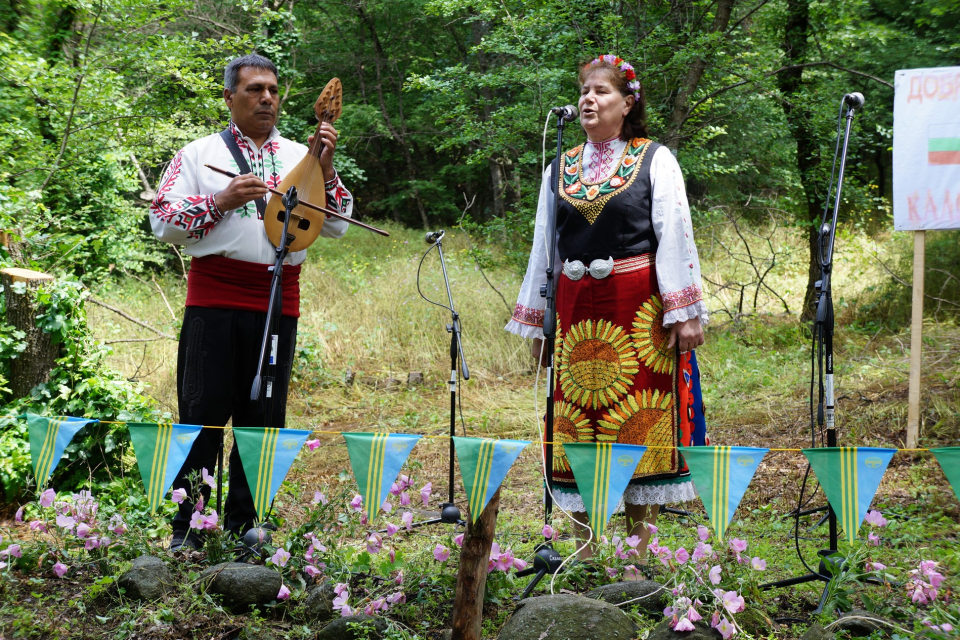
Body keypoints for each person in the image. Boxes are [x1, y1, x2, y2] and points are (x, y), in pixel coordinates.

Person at [505, 54, 708, 561]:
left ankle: (636, 556)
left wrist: (682, 312)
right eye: (584, 91)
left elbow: (674, 233)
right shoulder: (559, 165)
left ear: (628, 103)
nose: (588, 99)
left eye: (601, 92)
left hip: (637, 312)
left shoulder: (654, 158)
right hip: (575, 314)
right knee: (576, 427)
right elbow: (543, 249)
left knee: (638, 423)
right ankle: (584, 553)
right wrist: (538, 322)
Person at [149, 53, 353, 550]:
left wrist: (323, 168)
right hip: (214, 296)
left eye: (273, 90)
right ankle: (189, 529)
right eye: (254, 89)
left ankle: (247, 526)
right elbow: (162, 222)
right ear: (229, 98)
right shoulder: (197, 154)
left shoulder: (298, 157)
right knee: (202, 411)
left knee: (263, 416)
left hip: (277, 299)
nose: (266, 98)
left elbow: (341, 222)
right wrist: (220, 201)